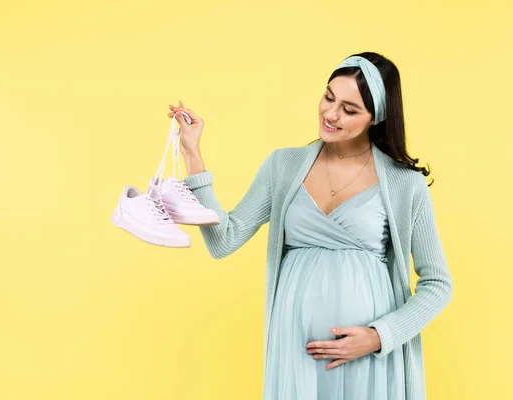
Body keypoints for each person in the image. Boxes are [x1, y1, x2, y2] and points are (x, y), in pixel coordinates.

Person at [166, 51, 453, 400]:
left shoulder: (404, 183)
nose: (331, 114)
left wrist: (379, 337)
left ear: (376, 117)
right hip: (294, 349)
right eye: (329, 97)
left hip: (369, 358)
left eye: (349, 110)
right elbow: (222, 240)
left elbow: (438, 284)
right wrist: (193, 154)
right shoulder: (283, 165)